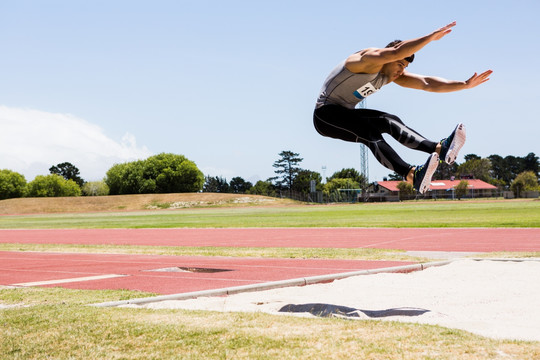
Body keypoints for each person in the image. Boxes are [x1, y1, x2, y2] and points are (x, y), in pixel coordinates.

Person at [314, 21, 492, 194]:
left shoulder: (391, 75)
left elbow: (427, 83)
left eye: (405, 67)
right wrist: (430, 38)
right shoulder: (365, 61)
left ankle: (440, 149)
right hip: (325, 115)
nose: (401, 71)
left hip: (345, 113)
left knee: (388, 120)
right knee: (370, 134)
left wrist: (465, 84)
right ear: (389, 58)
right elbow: (396, 52)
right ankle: (412, 175)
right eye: (400, 65)